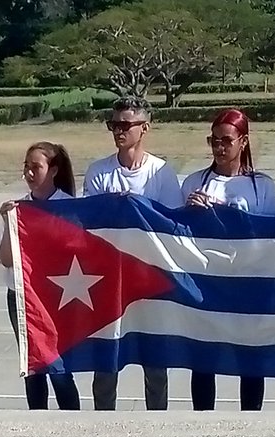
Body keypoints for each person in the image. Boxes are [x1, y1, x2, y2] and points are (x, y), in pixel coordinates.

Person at [83, 96, 183, 411]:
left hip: (150, 278)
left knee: (155, 360)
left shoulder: (162, 173)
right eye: (114, 124)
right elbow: (91, 223)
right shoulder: (99, 171)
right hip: (109, 279)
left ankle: (157, 423)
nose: (119, 131)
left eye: (126, 125)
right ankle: (103, 423)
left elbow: (170, 224)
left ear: (145, 128)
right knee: (106, 360)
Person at [180, 108, 275, 412]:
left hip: (249, 283)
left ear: (244, 142)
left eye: (227, 140)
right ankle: (202, 418)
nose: (220, 147)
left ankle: (250, 420)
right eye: (214, 141)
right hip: (207, 282)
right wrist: (188, 213)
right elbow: (174, 235)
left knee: (249, 356)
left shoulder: (261, 186)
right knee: (204, 356)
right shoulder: (194, 182)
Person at [0, 142, 81, 410]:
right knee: (33, 367)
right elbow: (5, 259)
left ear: (53, 170)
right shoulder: (18, 208)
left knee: (59, 366)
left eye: (36, 167)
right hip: (22, 297)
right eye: (26, 168)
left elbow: (80, 251)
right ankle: (37, 423)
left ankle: (74, 423)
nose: (29, 173)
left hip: (57, 295)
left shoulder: (70, 207)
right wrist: (8, 222)